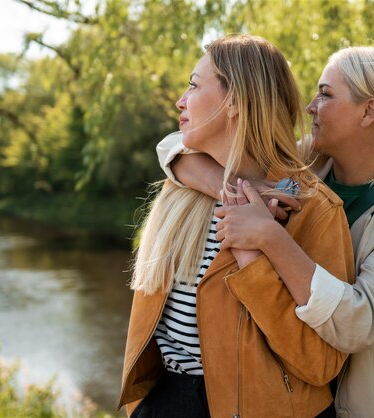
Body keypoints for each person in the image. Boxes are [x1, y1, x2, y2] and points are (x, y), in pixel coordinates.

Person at [157, 46, 374, 417]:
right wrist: (229, 187)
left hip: (359, 400)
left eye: (325, 94)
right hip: (289, 391)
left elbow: (361, 322)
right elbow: (173, 147)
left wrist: (269, 237)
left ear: (368, 111)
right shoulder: (301, 167)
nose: (310, 106)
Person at [118, 35, 355, 418]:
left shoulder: (312, 209)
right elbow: (169, 147)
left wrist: (253, 258)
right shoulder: (182, 185)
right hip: (167, 402)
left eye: (194, 85)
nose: (180, 100)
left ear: (235, 102)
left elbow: (320, 364)